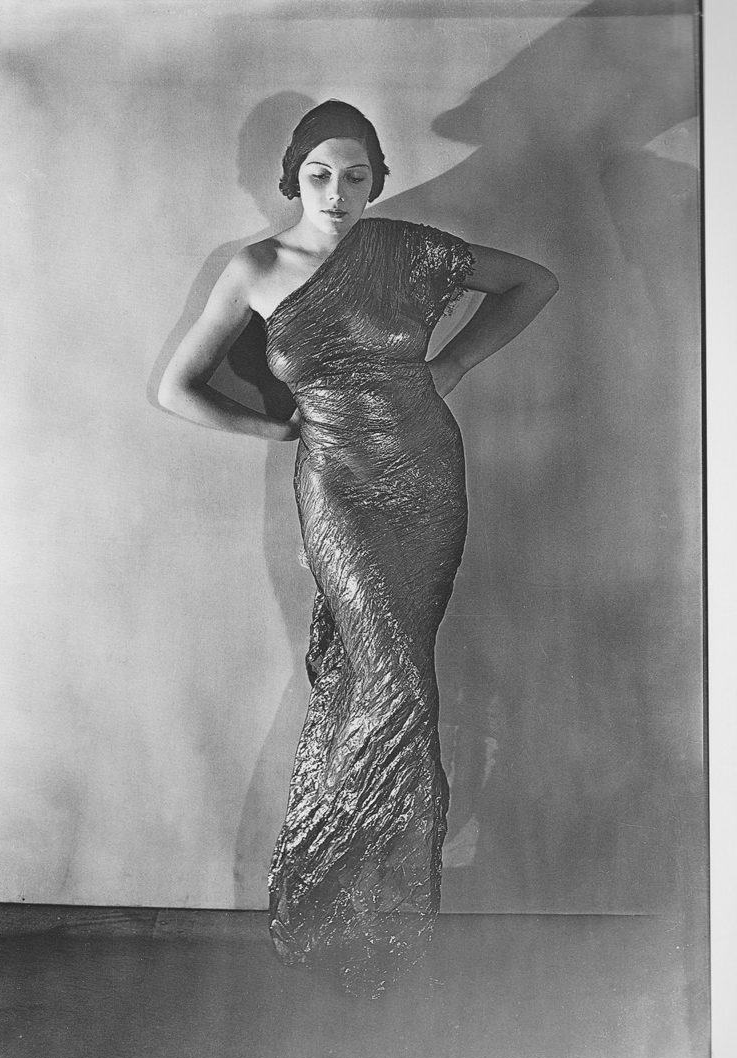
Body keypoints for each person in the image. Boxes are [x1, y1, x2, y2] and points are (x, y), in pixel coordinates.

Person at [157, 100, 558, 995]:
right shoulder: (256, 268)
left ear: (377, 180)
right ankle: (338, 896)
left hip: (426, 474)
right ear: (292, 180)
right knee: (389, 682)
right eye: (319, 176)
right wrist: (277, 428)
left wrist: (454, 364)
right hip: (336, 485)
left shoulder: (411, 250)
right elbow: (179, 387)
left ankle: (376, 910)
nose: (336, 193)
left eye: (355, 176)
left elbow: (535, 281)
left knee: (402, 678)